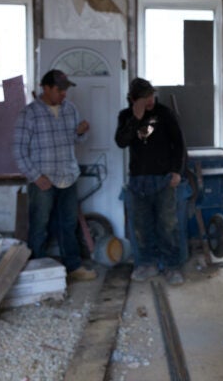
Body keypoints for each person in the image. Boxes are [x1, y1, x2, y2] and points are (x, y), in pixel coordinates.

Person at [13, 69, 97, 282]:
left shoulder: (70, 109)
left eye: (65, 90)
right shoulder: (29, 113)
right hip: (43, 180)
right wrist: (35, 176)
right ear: (46, 88)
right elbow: (18, 150)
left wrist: (81, 132)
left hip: (68, 176)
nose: (63, 95)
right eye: (59, 90)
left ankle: (73, 267)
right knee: (39, 227)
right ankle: (38, 272)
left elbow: (77, 141)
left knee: (68, 225)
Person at [115, 77, 186, 285]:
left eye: (151, 95)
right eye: (145, 97)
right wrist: (136, 119)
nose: (150, 100)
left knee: (167, 225)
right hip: (138, 180)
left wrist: (176, 171)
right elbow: (121, 142)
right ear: (133, 99)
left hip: (164, 178)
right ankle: (148, 264)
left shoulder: (164, 113)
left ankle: (172, 266)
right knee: (142, 226)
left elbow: (178, 143)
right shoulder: (126, 116)